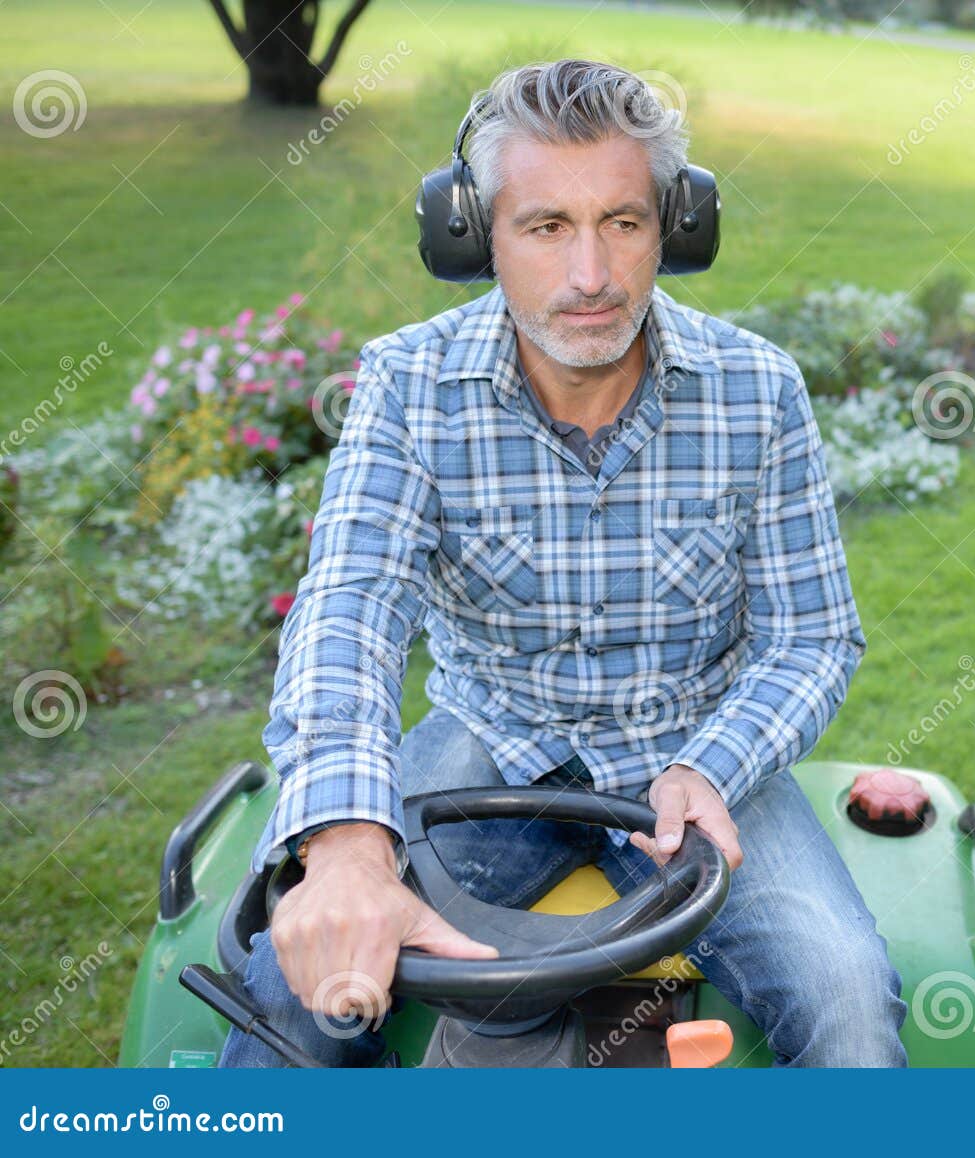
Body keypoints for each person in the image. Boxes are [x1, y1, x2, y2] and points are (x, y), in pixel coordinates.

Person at [219, 58, 907, 1068]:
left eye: (622, 223)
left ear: (671, 227)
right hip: (490, 741)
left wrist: (710, 766)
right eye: (546, 227)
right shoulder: (411, 385)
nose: (591, 276)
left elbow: (811, 637)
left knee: (848, 999)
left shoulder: (760, 391)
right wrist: (350, 848)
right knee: (290, 990)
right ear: (473, 235)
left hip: (697, 752)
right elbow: (350, 608)